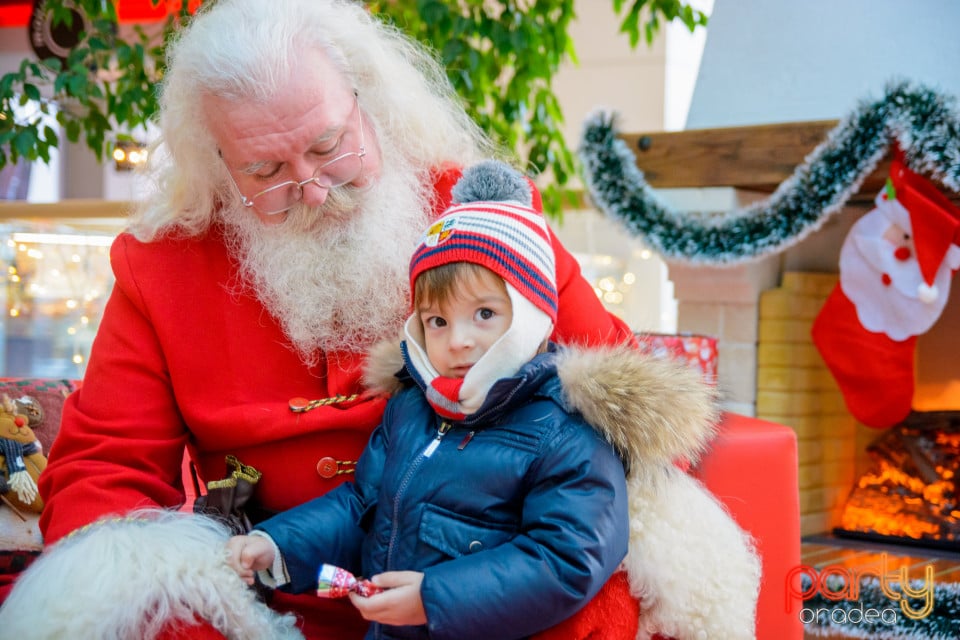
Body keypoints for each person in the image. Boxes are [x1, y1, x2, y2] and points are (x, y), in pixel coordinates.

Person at [7, 0, 637, 637]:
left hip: (489, 594)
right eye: (266, 171)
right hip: (268, 598)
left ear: (369, 104)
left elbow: (623, 391)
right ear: (218, 165)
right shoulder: (163, 266)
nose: (312, 189)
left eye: (329, 146)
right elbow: (103, 473)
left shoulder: (480, 216)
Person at [224, 160, 632, 640]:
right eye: (437, 321)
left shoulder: (565, 429)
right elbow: (361, 506)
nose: (457, 340)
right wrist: (279, 545)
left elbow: (565, 558)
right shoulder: (413, 408)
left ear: (532, 315)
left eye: (484, 313)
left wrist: (434, 597)